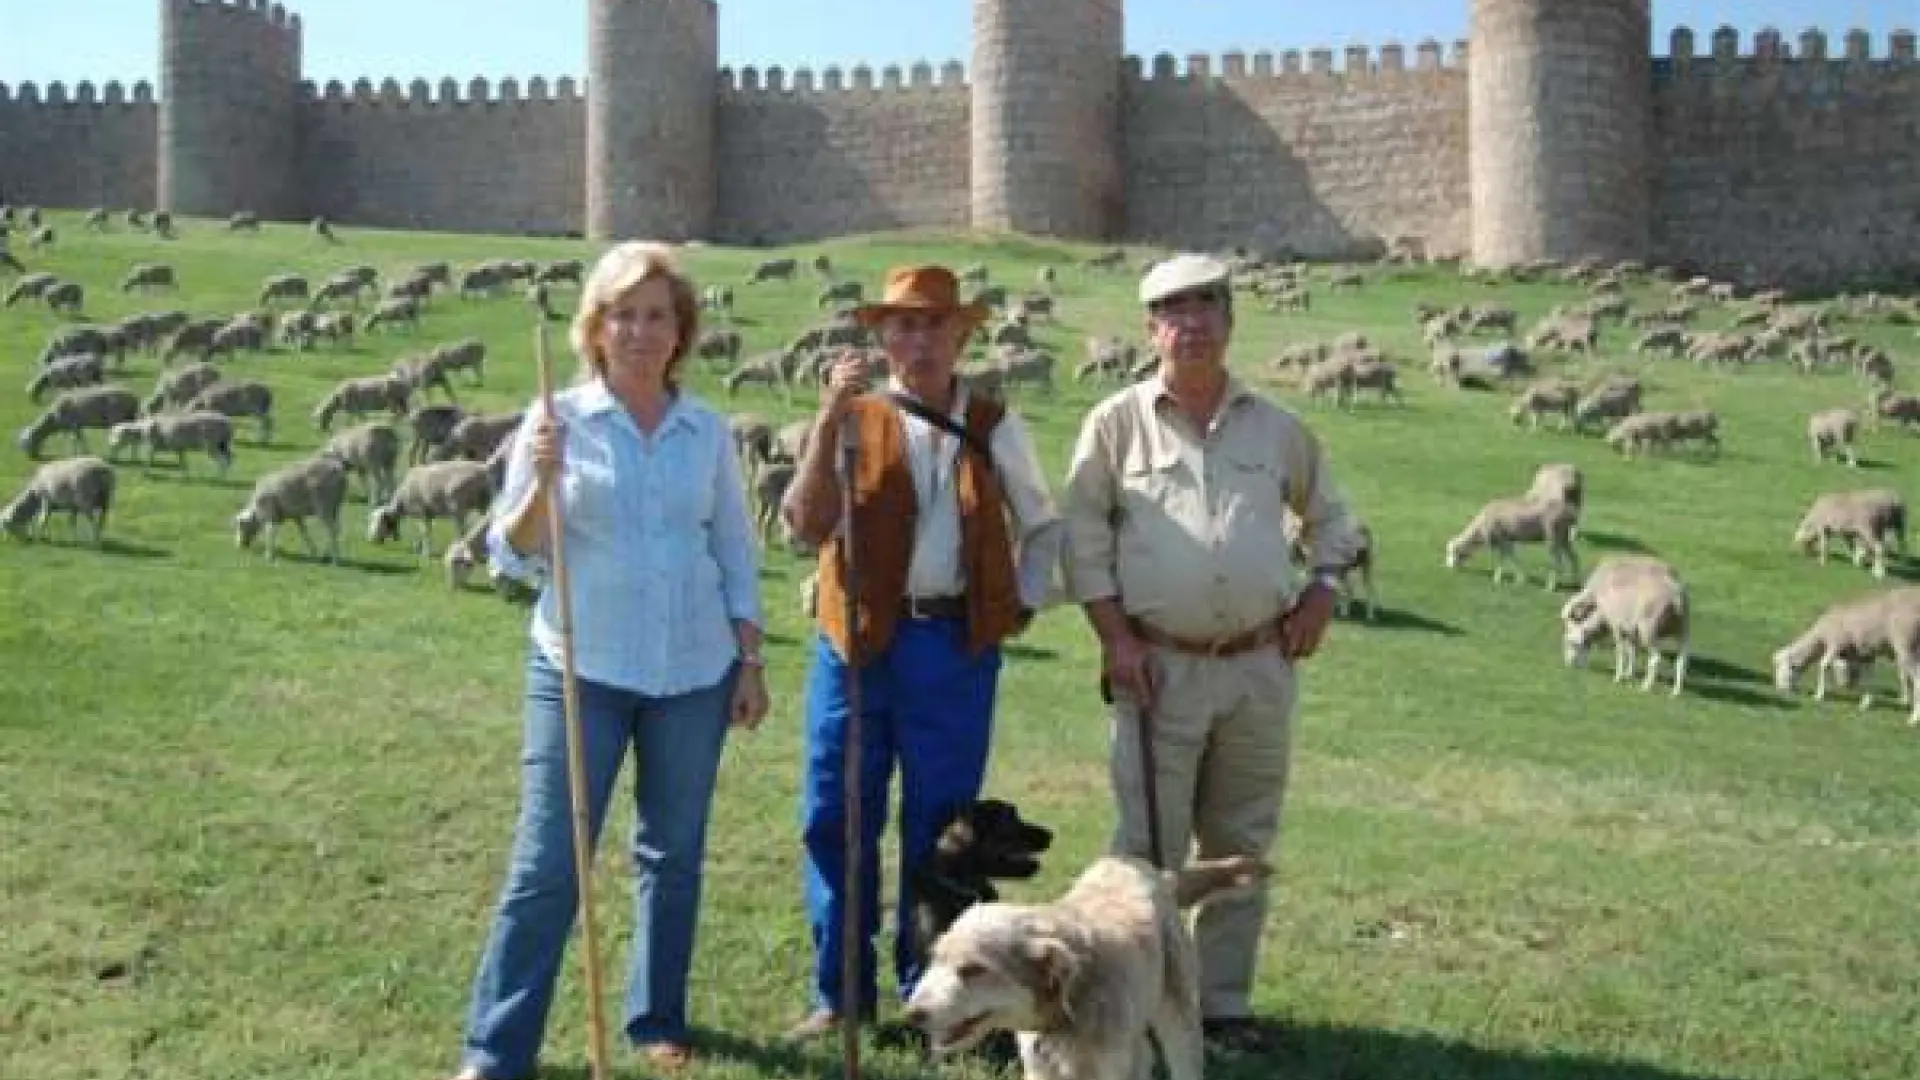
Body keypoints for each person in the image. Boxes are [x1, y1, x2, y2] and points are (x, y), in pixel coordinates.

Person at [447, 241, 770, 1080]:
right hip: (579, 671)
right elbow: (508, 556)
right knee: (549, 860)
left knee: (673, 851)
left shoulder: (706, 431)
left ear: (680, 331)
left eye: (657, 314)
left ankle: (656, 1017)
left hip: (693, 670)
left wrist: (750, 658)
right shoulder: (558, 420)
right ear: (596, 327)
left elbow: (735, 548)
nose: (640, 329)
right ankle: (496, 1048)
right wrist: (539, 489)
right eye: (624, 313)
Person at [1059, 253, 1363, 1057]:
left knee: (1240, 843)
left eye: (1206, 307)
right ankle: (1142, 1000)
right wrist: (1115, 638)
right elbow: (1083, 541)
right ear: (1150, 328)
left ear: (1230, 321)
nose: (1190, 323)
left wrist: (1323, 588)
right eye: (1172, 310)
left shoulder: (1277, 428)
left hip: (1259, 668)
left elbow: (1333, 518)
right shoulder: (1116, 424)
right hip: (1157, 667)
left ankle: (1222, 1006)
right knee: (1146, 850)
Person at [779, 264, 1066, 1040]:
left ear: (962, 334)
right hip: (857, 644)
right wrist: (827, 411)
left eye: (935, 324)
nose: (918, 339)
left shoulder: (997, 423)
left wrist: (1020, 604)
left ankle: (928, 993)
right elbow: (803, 526)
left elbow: (1042, 524)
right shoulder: (852, 417)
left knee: (941, 828)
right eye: (902, 325)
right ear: (880, 336)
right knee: (836, 815)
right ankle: (841, 992)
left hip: (952, 645)